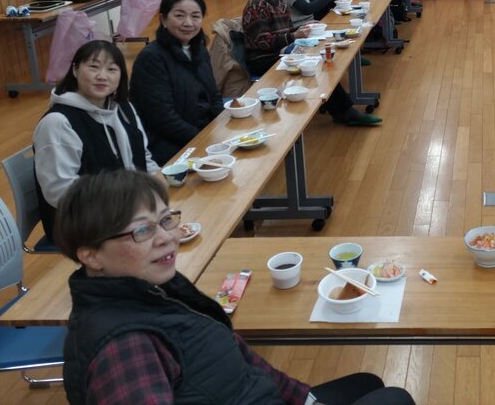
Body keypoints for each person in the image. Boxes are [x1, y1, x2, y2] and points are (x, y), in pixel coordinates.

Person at [55, 170, 415, 405]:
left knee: (368, 383)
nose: (166, 237)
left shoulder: (155, 288)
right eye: (143, 230)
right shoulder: (123, 347)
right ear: (91, 255)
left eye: (165, 220)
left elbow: (240, 361)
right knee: (394, 399)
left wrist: (307, 400)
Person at [33, 41, 158, 241]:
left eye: (111, 69)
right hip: (83, 221)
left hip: (130, 205)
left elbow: (143, 158)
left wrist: (159, 189)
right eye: (93, 67)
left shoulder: (123, 109)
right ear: (75, 70)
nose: (102, 76)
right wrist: (125, 204)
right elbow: (60, 192)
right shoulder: (58, 123)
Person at [243, 0, 379, 126]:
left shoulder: (279, 1)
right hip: (262, 58)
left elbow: (285, 30)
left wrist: (302, 27)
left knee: (320, 61)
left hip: (282, 51)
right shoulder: (256, 5)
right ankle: (345, 112)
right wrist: (294, 36)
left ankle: (342, 111)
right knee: (315, 67)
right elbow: (261, 41)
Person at [130, 0, 224, 165]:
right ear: (163, 20)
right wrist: (202, 140)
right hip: (168, 144)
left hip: (202, 133)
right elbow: (162, 117)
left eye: (195, 16)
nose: (188, 23)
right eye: (179, 16)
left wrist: (224, 125)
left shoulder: (199, 49)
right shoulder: (151, 58)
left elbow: (214, 95)